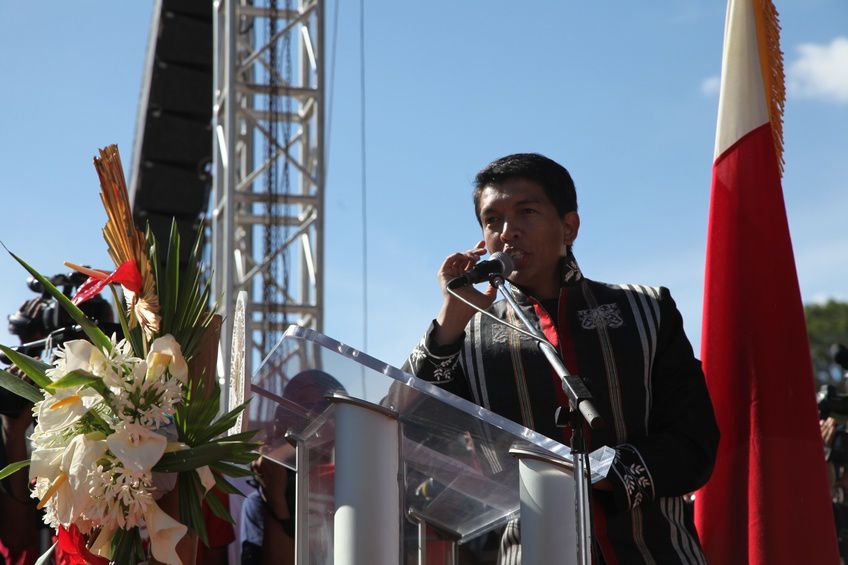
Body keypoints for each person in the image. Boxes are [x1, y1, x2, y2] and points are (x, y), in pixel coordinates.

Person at [403, 153, 719, 564]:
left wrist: (601, 474)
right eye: (491, 220)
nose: (507, 232)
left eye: (526, 212)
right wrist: (450, 318)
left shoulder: (645, 309)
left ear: (569, 226)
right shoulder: (465, 334)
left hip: (654, 552)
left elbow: (695, 442)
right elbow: (416, 427)